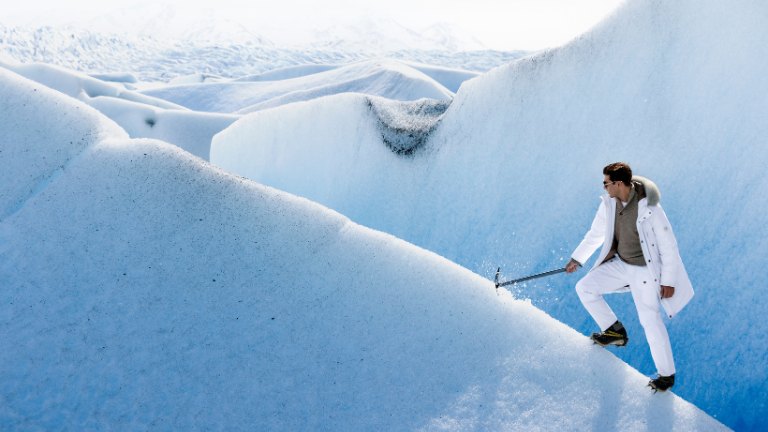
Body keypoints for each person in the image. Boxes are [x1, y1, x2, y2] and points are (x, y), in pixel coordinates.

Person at [565, 162, 694, 392]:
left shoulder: (649, 206)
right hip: (621, 265)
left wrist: (668, 281)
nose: (604, 187)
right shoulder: (609, 204)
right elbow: (595, 234)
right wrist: (578, 259)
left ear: (619, 183)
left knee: (650, 320)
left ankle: (666, 376)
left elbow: (668, 245)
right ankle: (614, 331)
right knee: (585, 287)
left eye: (606, 183)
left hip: (645, 271)